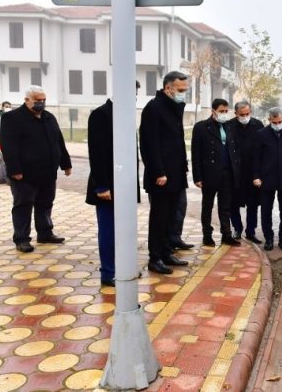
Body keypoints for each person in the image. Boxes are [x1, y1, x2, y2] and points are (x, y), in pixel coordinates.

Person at [0, 86, 72, 253]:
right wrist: (15, 170)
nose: (41, 103)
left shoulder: (49, 117)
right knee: (23, 205)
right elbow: (8, 147)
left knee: (45, 203)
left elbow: (58, 141)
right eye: (37, 100)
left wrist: (65, 163)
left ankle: (45, 233)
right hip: (24, 174)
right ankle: (22, 238)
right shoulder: (12, 118)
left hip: (47, 172)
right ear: (27, 100)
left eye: (43, 100)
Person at [86, 82, 142, 287]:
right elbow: (96, 153)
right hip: (108, 186)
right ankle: (108, 272)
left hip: (126, 184)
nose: (135, 98)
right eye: (132, 94)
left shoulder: (125, 114)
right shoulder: (101, 114)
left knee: (126, 230)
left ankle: (124, 267)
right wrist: (101, 186)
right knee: (109, 230)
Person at [139, 71, 191, 275]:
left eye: (185, 90)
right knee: (159, 218)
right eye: (180, 90)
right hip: (161, 176)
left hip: (176, 174)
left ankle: (167, 252)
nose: (183, 94)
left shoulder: (173, 107)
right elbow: (149, 144)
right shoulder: (154, 108)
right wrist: (158, 172)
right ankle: (155, 258)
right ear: (168, 87)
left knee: (171, 216)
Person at [192, 99, 242, 247]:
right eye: (221, 111)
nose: (224, 114)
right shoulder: (201, 127)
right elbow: (196, 154)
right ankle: (207, 235)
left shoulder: (231, 126)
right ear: (213, 111)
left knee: (225, 206)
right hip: (210, 174)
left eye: (226, 111)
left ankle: (226, 234)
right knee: (207, 205)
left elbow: (236, 149)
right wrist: (197, 176)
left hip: (228, 173)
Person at [253, 107, 282, 251]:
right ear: (269, 120)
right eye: (274, 122)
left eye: (279, 121)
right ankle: (268, 239)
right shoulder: (261, 134)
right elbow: (256, 158)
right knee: (266, 210)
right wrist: (256, 176)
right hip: (266, 178)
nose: (277, 124)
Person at [228, 101, 264, 244]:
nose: (245, 116)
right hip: (235, 172)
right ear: (236, 113)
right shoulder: (229, 126)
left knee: (253, 204)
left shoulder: (258, 125)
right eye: (241, 114)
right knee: (233, 203)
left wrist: (260, 173)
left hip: (253, 172)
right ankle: (237, 228)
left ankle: (251, 231)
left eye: (247, 114)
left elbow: (262, 149)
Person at [0, 101, 13, 184]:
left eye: (9, 106)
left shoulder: (13, 116)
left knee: (9, 159)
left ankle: (3, 176)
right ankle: (4, 178)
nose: (8, 108)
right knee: (4, 159)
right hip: (2, 141)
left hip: (11, 141)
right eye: (6, 106)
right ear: (2, 107)